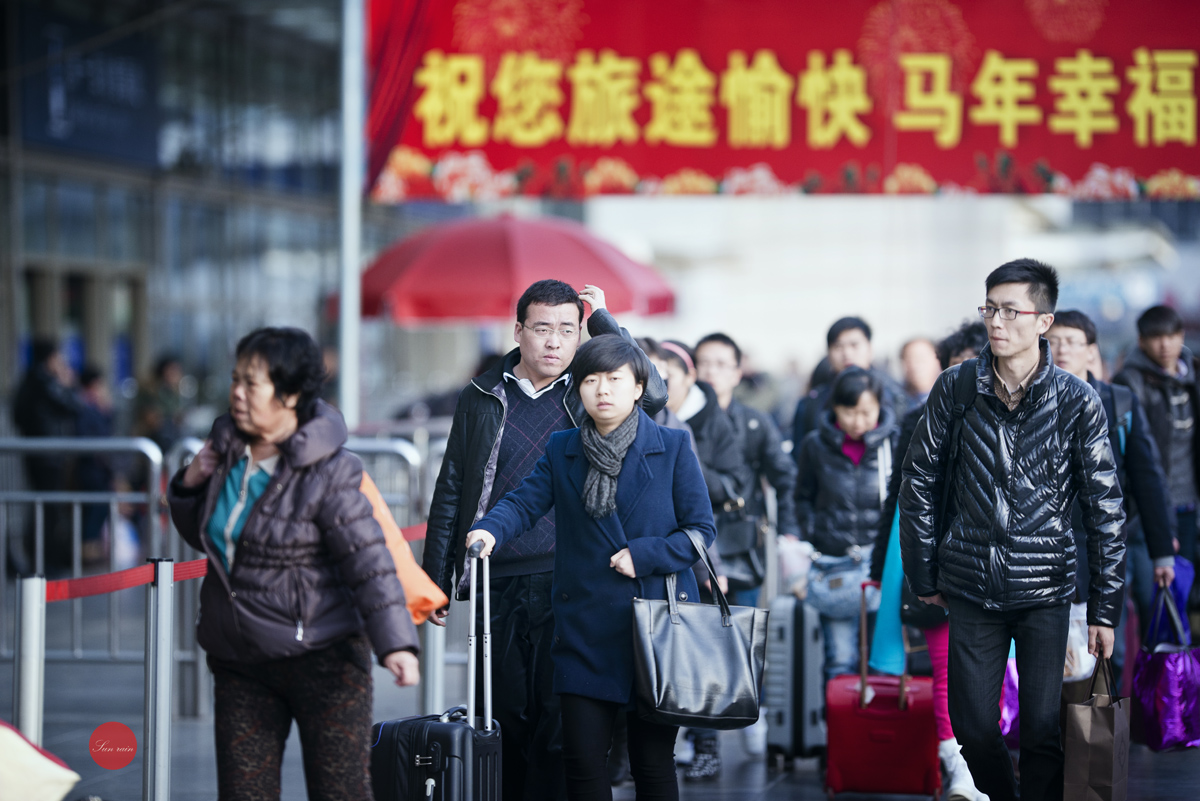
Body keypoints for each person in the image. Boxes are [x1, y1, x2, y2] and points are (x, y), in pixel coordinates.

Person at [421, 281, 667, 801]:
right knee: (504, 716)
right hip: (499, 574)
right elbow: (452, 485)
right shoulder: (482, 394)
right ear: (519, 332)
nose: (554, 342)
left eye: (567, 330)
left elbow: (657, 394)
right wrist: (436, 575)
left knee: (563, 720)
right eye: (542, 329)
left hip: (574, 579)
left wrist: (603, 322)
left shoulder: (590, 391)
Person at [900, 259, 1125, 801]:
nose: (996, 322)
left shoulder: (1076, 400)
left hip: (1046, 591)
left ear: (1043, 321)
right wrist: (924, 572)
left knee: (1044, 730)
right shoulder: (956, 389)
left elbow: (1105, 508)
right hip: (972, 585)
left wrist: (1103, 608)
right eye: (990, 309)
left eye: (1010, 310)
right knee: (974, 727)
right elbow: (918, 482)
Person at [168, 327, 419, 801]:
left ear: (291, 394)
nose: (237, 394)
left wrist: (397, 645)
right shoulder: (224, 453)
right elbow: (211, 538)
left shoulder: (329, 470)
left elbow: (368, 562)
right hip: (240, 659)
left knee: (339, 793)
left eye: (252, 383)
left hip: (324, 660)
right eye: (235, 379)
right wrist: (188, 484)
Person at [464, 334, 717, 801]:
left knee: (652, 764)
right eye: (591, 379)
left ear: (639, 387)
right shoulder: (564, 448)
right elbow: (524, 501)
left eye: (615, 379)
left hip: (658, 628)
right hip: (584, 630)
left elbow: (701, 531)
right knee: (581, 762)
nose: (602, 389)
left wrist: (646, 555)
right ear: (577, 388)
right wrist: (490, 530)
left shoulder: (674, 446)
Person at [871, 321, 988, 801]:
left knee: (994, 677)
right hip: (940, 570)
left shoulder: (1024, 420)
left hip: (1004, 574)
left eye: (972, 365)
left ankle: (983, 764)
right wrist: (882, 568)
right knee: (944, 672)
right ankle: (958, 766)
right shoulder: (918, 422)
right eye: (955, 366)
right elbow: (898, 499)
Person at [1049, 310, 1176, 672]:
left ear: (1091, 351)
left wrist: (1162, 551)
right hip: (1049, 541)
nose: (1061, 350)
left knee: (1106, 642)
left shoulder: (1118, 401)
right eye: (1054, 341)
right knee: (1051, 647)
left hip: (1103, 539)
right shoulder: (1033, 400)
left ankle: (1101, 723)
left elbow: (1147, 477)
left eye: (1072, 342)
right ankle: (1056, 725)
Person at [795, 366, 898, 681]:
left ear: (880, 407)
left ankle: (877, 727)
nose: (858, 421)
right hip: (836, 562)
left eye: (867, 412)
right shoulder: (816, 445)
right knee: (840, 658)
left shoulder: (894, 442)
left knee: (885, 658)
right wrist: (813, 534)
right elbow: (802, 497)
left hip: (882, 564)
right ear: (834, 408)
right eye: (849, 411)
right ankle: (840, 728)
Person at [1113, 305, 1198, 600]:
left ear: (1181, 336)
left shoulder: (1192, 375)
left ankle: (1177, 646)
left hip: (1188, 503)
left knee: (1182, 589)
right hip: (1151, 505)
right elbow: (1141, 454)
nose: (1165, 345)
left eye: (1171, 336)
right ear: (1141, 341)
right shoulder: (1130, 381)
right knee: (1156, 595)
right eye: (1156, 337)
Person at [12, 338, 82, 573]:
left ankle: (43, 559)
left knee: (42, 506)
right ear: (49, 358)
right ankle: (45, 562)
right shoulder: (44, 382)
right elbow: (72, 407)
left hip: (41, 454)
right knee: (47, 507)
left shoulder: (28, 381)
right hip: (47, 456)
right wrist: (68, 384)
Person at [791, 317, 906, 460]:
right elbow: (799, 459)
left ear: (870, 349)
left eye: (854, 345)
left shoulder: (896, 398)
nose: (847, 353)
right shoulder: (811, 404)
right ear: (829, 353)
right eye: (838, 347)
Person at [76, 366, 118, 562]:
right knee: (92, 511)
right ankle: (87, 552)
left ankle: (92, 550)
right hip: (90, 469)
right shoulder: (83, 407)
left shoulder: (96, 407)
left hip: (99, 470)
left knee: (99, 509)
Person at [135, 354, 187, 453]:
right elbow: (150, 419)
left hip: (169, 440)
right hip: (151, 441)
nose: (177, 375)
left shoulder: (173, 393)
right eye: (173, 370)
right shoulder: (149, 390)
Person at [901, 338, 943, 408]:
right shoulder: (895, 399)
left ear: (938, 361)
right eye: (909, 360)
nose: (914, 365)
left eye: (921, 359)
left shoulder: (951, 396)